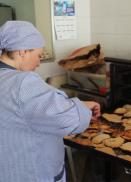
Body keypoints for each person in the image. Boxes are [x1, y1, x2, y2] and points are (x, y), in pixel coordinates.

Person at [0, 21, 100, 182]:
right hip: (31, 172)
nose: (39, 63)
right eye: (39, 55)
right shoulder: (22, 82)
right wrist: (83, 107)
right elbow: (68, 120)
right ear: (22, 52)